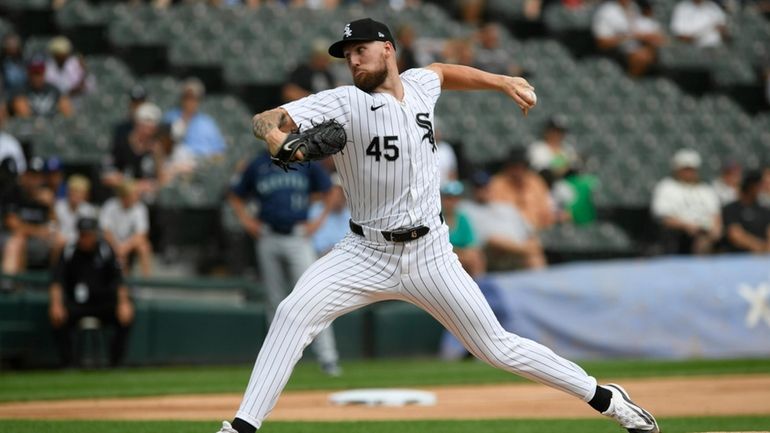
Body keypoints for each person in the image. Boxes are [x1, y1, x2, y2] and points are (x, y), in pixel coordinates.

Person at [214, 18, 658, 433]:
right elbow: (264, 119)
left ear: (387, 49)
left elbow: (444, 71)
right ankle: (240, 427)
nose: (352, 60)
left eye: (360, 49)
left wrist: (501, 81)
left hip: (430, 255)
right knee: (293, 313)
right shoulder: (346, 100)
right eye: (346, 54)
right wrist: (281, 141)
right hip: (363, 253)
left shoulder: (420, 86)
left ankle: (607, 399)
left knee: (496, 348)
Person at [227, 150, 341, 376]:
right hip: (268, 235)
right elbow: (235, 194)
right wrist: (247, 221)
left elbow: (330, 190)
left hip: (298, 236)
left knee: (314, 297)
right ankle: (276, 363)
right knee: (275, 302)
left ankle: (328, 359)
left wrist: (318, 221)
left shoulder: (304, 162)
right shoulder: (258, 163)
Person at [49, 217, 134, 368]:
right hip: (77, 304)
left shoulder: (106, 250)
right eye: (82, 235)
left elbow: (118, 280)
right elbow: (57, 281)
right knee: (58, 316)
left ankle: (116, 363)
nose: (85, 239)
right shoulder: (69, 251)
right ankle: (68, 363)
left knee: (126, 315)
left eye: (88, 234)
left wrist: (124, 303)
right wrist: (56, 304)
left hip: (102, 303)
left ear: (95, 234)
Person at [460, 171, 546, 270]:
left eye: (486, 186)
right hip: (491, 252)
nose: (483, 190)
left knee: (534, 257)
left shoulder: (505, 206)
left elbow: (529, 232)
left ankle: (543, 284)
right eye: (479, 187)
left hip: (517, 251)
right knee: (495, 241)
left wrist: (531, 244)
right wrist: (526, 248)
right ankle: (526, 250)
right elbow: (487, 239)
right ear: (472, 189)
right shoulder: (465, 209)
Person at [651, 148, 721, 255]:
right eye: (685, 169)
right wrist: (687, 226)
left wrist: (716, 230)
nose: (689, 172)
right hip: (680, 233)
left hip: (705, 232)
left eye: (692, 169)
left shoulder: (705, 189)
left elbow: (715, 215)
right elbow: (664, 218)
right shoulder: (666, 187)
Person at [1, 157, 61, 277]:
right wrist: (38, 231)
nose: (35, 180)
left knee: (60, 241)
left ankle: (55, 283)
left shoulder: (45, 197)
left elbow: (54, 225)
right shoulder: (14, 192)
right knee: (18, 241)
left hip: (38, 242)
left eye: (38, 176)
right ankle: (11, 289)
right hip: (12, 239)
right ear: (24, 176)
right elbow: (12, 224)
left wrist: (51, 207)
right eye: (32, 175)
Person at [102, 102, 165, 197]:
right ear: (137, 125)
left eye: (152, 129)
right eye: (145, 127)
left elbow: (160, 181)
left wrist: (158, 158)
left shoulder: (155, 148)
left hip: (146, 200)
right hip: (122, 197)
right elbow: (107, 176)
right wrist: (135, 185)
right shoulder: (121, 143)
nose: (148, 132)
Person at [488, 148, 557, 230]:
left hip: (537, 231)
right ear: (507, 168)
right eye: (514, 167)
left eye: (521, 167)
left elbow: (546, 213)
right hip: (508, 233)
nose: (517, 171)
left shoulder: (535, 182)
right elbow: (494, 214)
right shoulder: (497, 184)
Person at [592, 0, 665, 77]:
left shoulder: (633, 7)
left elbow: (639, 28)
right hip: (614, 52)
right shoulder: (606, 11)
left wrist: (648, 36)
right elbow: (601, 42)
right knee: (643, 56)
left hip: (635, 45)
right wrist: (631, 37)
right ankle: (632, 79)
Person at [99, 181, 153, 276]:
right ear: (124, 197)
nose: (136, 197)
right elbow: (105, 231)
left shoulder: (140, 208)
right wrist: (117, 247)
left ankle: (147, 281)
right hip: (111, 244)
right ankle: (123, 285)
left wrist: (125, 248)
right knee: (120, 258)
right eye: (133, 195)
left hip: (129, 245)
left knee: (144, 247)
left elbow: (141, 234)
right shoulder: (109, 206)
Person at [164, 78, 226, 158]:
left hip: (202, 163)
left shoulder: (207, 123)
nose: (190, 101)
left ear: (199, 100)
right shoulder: (170, 117)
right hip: (175, 161)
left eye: (195, 97)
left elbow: (220, 150)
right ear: (182, 98)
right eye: (187, 96)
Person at [722, 171, 770, 253]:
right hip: (736, 258)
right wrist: (758, 246)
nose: (760, 188)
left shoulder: (764, 210)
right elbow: (734, 234)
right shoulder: (731, 209)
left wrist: (767, 249)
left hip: (762, 258)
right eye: (757, 185)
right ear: (749, 186)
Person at [308, 173, 351, 256]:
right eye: (335, 193)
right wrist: (328, 209)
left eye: (342, 193)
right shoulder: (316, 209)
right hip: (321, 256)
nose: (338, 197)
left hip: (345, 255)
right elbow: (311, 236)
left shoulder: (350, 213)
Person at [527, 115, 579, 181]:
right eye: (554, 131)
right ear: (547, 131)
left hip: (565, 185)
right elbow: (541, 172)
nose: (557, 134)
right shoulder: (537, 148)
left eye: (560, 131)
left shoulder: (568, 149)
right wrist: (564, 168)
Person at [53, 175, 97, 250]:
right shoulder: (57, 206)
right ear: (68, 191)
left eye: (80, 192)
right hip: (59, 243)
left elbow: (89, 234)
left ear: (85, 195)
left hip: (80, 245)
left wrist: (69, 240)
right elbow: (52, 226)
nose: (76, 195)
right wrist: (57, 235)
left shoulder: (90, 211)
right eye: (74, 191)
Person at [44, 36, 93, 100]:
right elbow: (51, 89)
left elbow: (88, 86)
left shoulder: (75, 63)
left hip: (77, 101)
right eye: (59, 53)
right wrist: (70, 92)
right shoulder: (48, 67)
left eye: (64, 53)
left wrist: (84, 73)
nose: (62, 56)